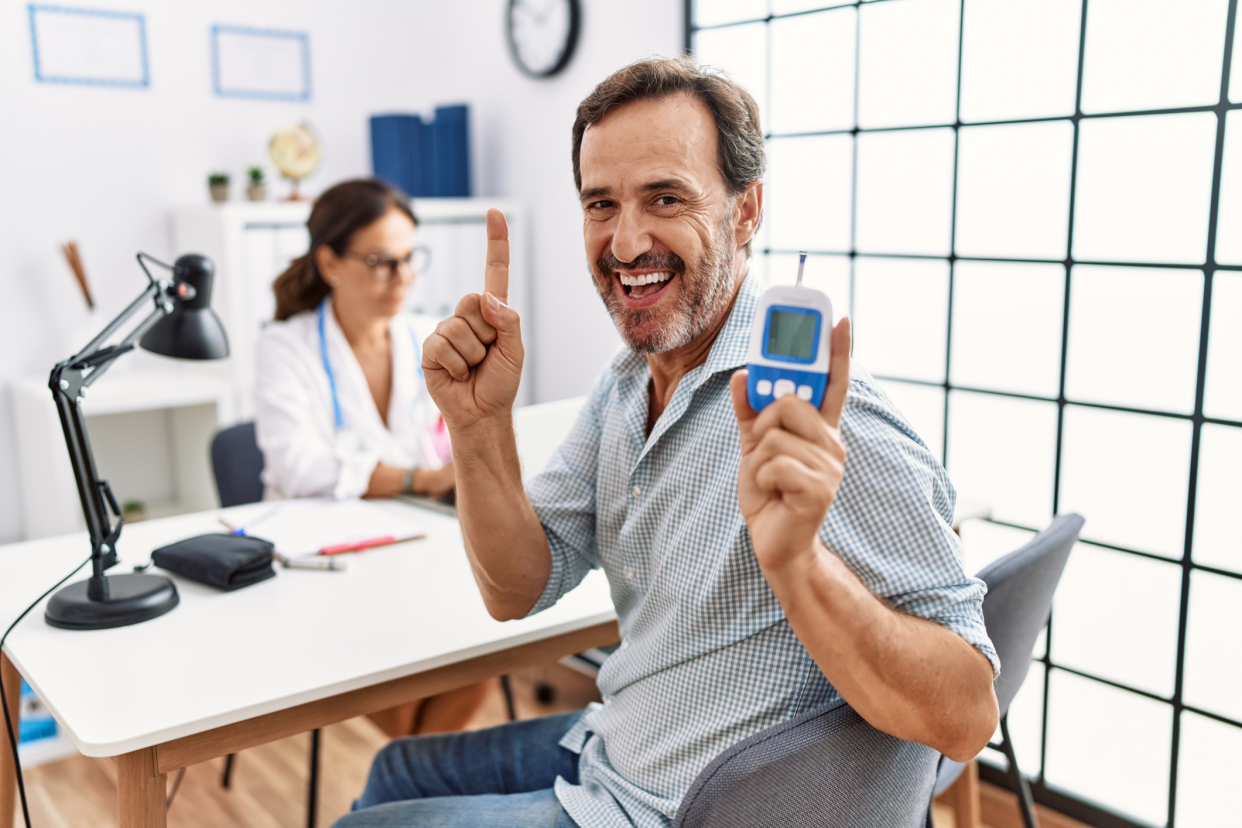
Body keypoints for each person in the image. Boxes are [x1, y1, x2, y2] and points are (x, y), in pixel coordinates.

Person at [336, 58, 1000, 828]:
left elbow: (966, 717)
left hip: (687, 809)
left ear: (745, 211)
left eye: (665, 198)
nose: (624, 242)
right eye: (601, 204)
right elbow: (515, 587)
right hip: (622, 747)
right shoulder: (625, 387)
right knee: (395, 771)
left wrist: (799, 564)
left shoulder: (825, 420)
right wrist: (478, 426)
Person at [255, 178, 484, 736]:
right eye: (383, 261)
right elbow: (299, 468)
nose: (402, 278)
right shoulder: (286, 347)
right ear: (330, 263)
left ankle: (412, 781)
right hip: (319, 562)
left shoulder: (425, 341)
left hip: (410, 542)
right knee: (407, 664)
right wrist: (422, 478)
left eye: (410, 259)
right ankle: (416, 784)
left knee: (485, 638)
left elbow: (450, 442)